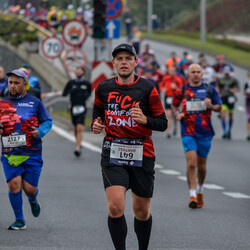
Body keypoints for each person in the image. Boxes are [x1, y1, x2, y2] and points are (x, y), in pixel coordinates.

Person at [92, 43, 167, 249]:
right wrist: (96, 124)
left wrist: (145, 120)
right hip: (113, 151)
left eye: (128, 58)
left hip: (142, 152)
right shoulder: (103, 88)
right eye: (119, 59)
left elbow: (162, 123)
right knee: (115, 206)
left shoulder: (147, 89)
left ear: (135, 62)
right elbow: (98, 111)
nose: (123, 62)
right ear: (114, 63)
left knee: (141, 211)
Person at [0, 69, 53, 229]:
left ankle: (33, 200)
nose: (13, 86)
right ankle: (19, 220)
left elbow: (48, 121)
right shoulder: (2, 103)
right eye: (10, 82)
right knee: (14, 184)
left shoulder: (35, 103)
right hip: (10, 153)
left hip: (32, 152)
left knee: (30, 189)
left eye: (17, 83)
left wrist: (40, 132)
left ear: (25, 84)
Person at [172, 64, 222, 209]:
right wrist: (177, 115)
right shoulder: (181, 90)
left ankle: (200, 188)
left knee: (201, 166)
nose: (195, 74)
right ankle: (192, 194)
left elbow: (219, 106)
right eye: (193, 72)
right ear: (188, 74)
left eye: (198, 72)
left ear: (202, 74)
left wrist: (211, 106)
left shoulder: (209, 89)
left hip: (205, 132)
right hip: (187, 131)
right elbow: (174, 107)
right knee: (191, 163)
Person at [62, 67, 91, 157]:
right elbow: (64, 93)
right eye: (77, 70)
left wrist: (85, 95)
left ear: (83, 72)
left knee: (79, 128)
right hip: (73, 107)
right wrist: (70, 90)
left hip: (82, 107)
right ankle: (78, 142)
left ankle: (77, 148)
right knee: (75, 128)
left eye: (80, 70)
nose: (78, 72)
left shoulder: (87, 84)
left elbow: (89, 93)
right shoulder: (71, 83)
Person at [217, 66, 240, 139]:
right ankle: (224, 131)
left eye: (228, 73)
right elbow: (217, 87)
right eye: (225, 73)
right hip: (223, 98)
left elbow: (238, 88)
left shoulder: (233, 80)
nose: (226, 74)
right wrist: (218, 93)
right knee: (223, 114)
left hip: (231, 98)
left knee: (230, 115)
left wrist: (234, 90)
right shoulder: (221, 79)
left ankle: (229, 130)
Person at [160, 66, 183, 138]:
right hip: (168, 97)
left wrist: (176, 88)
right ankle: (168, 131)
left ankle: (175, 128)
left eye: (173, 71)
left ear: (175, 72)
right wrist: (163, 89)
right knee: (168, 114)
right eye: (170, 71)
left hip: (175, 98)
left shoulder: (178, 79)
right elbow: (161, 86)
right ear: (168, 71)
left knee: (174, 115)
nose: (171, 72)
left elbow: (182, 89)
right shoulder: (165, 78)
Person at [243, 71, 250, 140]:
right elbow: (244, 92)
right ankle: (249, 133)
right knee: (249, 118)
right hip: (248, 101)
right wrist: (247, 91)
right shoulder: (247, 83)